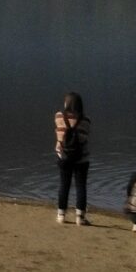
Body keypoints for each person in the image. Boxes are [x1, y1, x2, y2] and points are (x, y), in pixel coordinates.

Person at [53, 91, 91, 225]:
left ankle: (61, 215)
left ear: (67, 103)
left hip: (63, 156)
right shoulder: (85, 120)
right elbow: (85, 136)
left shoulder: (58, 116)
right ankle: (80, 217)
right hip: (81, 158)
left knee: (64, 185)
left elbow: (59, 131)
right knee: (81, 186)